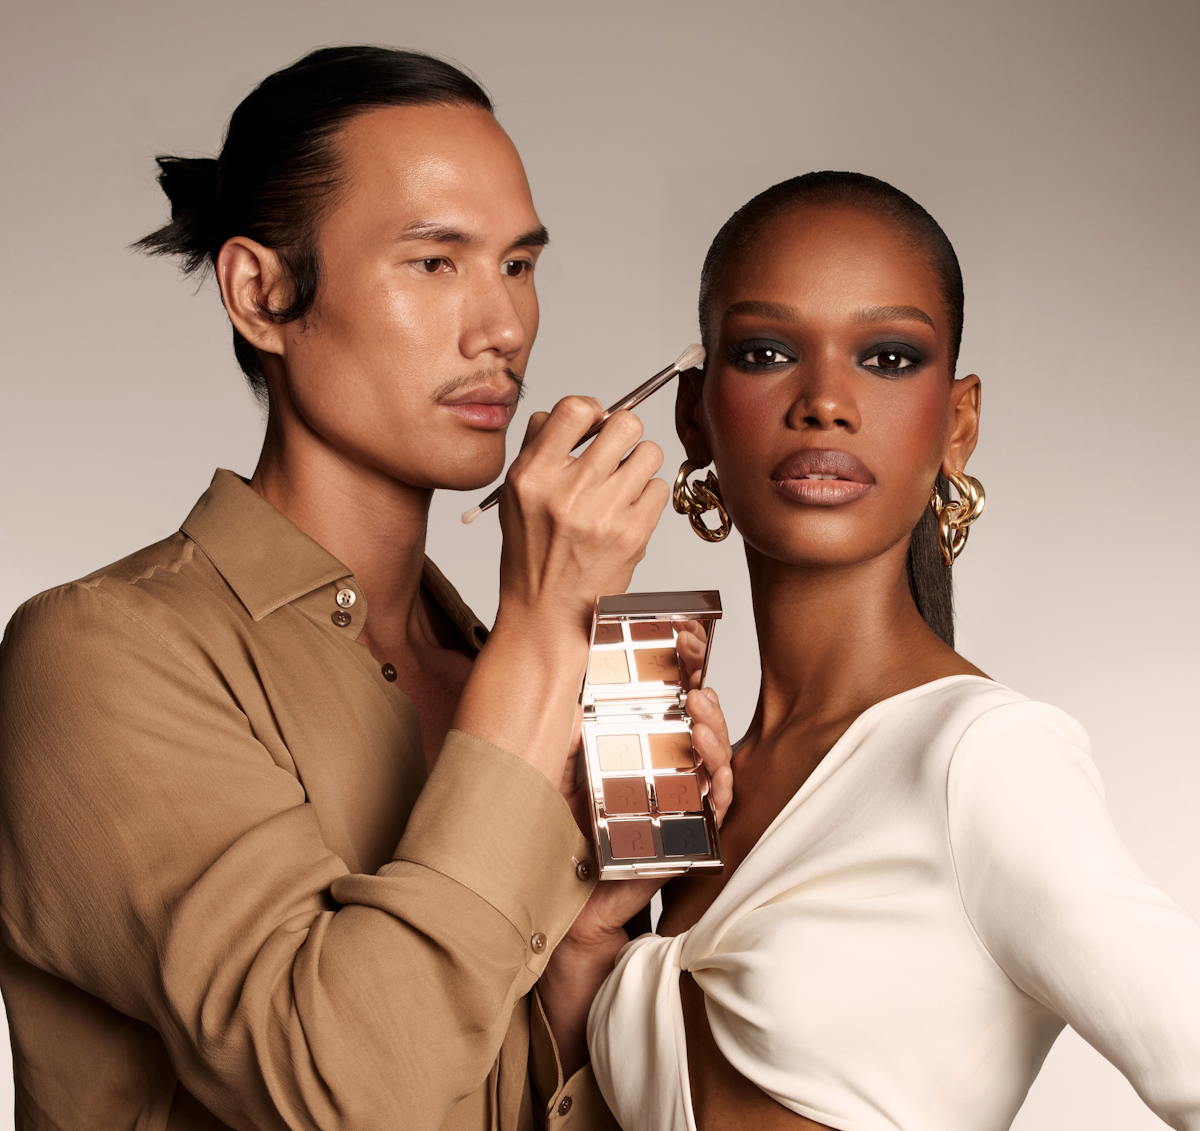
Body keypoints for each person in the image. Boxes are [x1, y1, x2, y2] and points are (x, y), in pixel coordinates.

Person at [0, 47, 735, 1131]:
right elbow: (349, 1089)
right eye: (434, 263)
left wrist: (587, 941)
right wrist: (545, 631)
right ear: (261, 293)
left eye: (518, 265)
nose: (503, 328)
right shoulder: (99, 654)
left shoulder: (493, 669)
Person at [587, 171, 1200, 1131]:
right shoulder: (696, 784)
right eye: (766, 351)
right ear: (694, 414)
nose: (825, 401)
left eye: (886, 357)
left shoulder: (984, 760)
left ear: (958, 423)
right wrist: (595, 926)